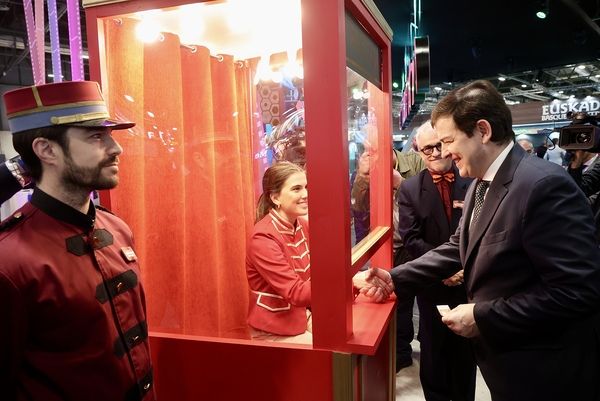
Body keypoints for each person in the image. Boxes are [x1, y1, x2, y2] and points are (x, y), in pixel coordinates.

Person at [361, 80, 600, 401]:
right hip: (507, 363)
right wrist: (393, 277)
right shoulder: (481, 182)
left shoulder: (542, 185)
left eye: (448, 140)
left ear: (483, 131)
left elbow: (577, 291)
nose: (443, 152)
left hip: (544, 371)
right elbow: (457, 246)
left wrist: (482, 315)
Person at [0, 81, 155, 400]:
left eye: (110, 135)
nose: (116, 148)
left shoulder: (117, 229)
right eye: (96, 137)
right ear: (46, 150)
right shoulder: (10, 262)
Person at [398, 120, 475, 401]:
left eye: (438, 146)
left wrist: (463, 268)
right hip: (432, 285)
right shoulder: (409, 189)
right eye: (425, 149)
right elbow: (410, 238)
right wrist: (442, 271)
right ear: (418, 152)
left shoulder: (473, 180)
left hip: (470, 282)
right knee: (433, 352)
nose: (433, 153)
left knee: (466, 354)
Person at [246, 161, 312, 343]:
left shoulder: (302, 225)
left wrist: (353, 281)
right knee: (339, 353)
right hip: (274, 328)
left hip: (299, 315)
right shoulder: (263, 237)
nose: (306, 194)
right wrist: (343, 282)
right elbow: (296, 292)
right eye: (296, 189)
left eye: (306, 187)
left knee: (348, 335)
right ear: (275, 198)